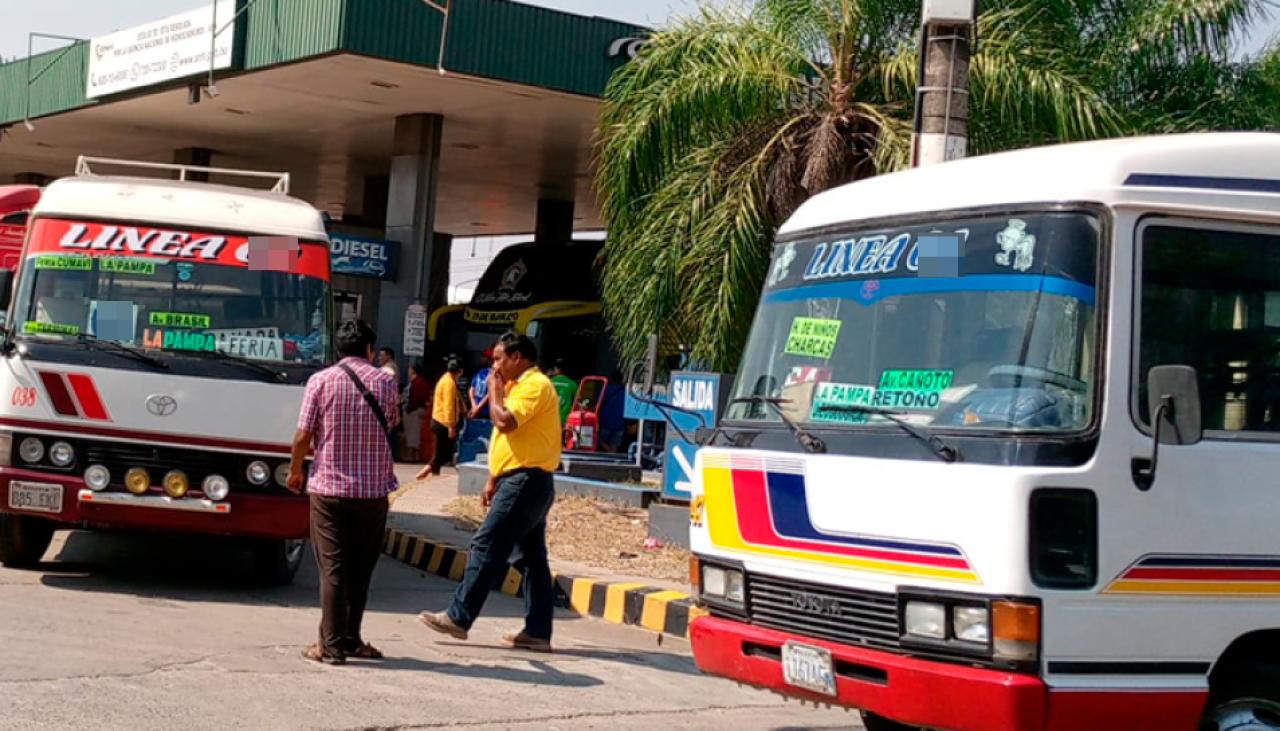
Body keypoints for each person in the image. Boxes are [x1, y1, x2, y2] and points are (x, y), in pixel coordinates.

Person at [418, 330, 561, 653]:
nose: (494, 367)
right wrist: (493, 477)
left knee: (486, 543)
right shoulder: (518, 386)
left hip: (526, 481)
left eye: (498, 359)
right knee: (531, 558)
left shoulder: (535, 386)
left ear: (516, 357)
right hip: (521, 479)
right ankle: (538, 630)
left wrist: (494, 391)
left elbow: (505, 422)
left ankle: (459, 616)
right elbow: (511, 439)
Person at [287, 319, 400, 666]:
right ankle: (350, 638)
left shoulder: (321, 380)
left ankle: (332, 647)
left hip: (329, 490)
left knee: (333, 569)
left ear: (338, 350)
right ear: (370, 350)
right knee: (361, 569)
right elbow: (392, 423)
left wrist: (295, 471)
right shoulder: (386, 382)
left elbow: (304, 435)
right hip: (373, 492)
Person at [417, 356, 465, 478]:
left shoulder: (446, 379)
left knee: (440, 450)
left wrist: (464, 409)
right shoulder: (449, 383)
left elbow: (457, 399)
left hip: (438, 419)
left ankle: (435, 474)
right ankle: (427, 469)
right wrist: (451, 425)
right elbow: (449, 405)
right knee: (443, 453)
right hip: (443, 421)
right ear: (460, 371)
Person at [401, 362, 431, 462]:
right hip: (418, 409)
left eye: (410, 369)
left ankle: (412, 455)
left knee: (411, 432)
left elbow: (415, 397)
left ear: (413, 370)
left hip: (413, 410)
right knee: (415, 432)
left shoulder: (416, 382)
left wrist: (410, 409)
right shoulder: (422, 381)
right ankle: (415, 455)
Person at [598, 370, 627, 452]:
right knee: (615, 445)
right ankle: (611, 453)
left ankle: (608, 451)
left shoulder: (606, 389)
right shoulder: (625, 392)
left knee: (598, 441)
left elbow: (596, 401)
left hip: (606, 422)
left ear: (612, 378)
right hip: (619, 423)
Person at [547, 359, 578, 426]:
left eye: (554, 368)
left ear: (558, 369)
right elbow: (578, 402)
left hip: (549, 419)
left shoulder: (548, 382)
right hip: (564, 421)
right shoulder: (572, 384)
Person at [469, 347, 494, 420]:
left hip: (486, 413)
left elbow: (490, 393)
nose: (481, 359)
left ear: (490, 359)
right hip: (475, 410)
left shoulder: (494, 374)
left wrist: (478, 407)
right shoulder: (479, 371)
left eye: (484, 357)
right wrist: (474, 405)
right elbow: (471, 389)